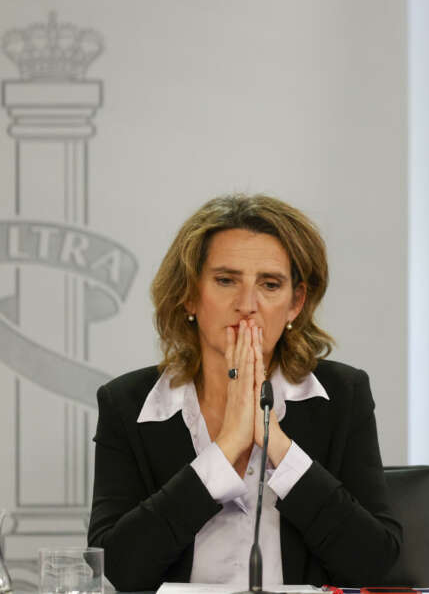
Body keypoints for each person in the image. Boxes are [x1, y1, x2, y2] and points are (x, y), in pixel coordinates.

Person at [87, 194, 401, 591]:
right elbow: (118, 567)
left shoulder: (342, 395)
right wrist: (224, 451)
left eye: (270, 285)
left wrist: (276, 443)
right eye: (225, 280)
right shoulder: (127, 403)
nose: (247, 305)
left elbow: (373, 563)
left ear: (295, 304)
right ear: (189, 294)